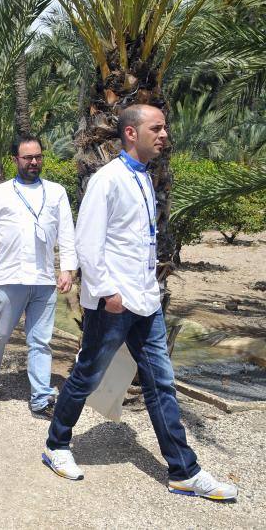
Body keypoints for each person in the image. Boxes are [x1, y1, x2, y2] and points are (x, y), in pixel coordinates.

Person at [43, 104, 238, 500]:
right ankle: (57, 445)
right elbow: (88, 241)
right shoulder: (107, 180)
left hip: (145, 302)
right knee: (86, 376)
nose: (165, 134)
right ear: (131, 133)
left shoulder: (145, 178)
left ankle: (183, 470)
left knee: (160, 384)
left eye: (165, 127)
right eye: (157, 127)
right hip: (114, 304)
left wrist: (148, 288)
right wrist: (108, 292)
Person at [0, 135, 77, 413]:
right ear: (15, 160)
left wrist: (67, 268)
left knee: (40, 341)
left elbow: (67, 233)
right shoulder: (0, 193)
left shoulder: (56, 192)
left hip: (44, 280)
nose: (34, 162)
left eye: (38, 156)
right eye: (28, 157)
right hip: (11, 278)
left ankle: (41, 397)